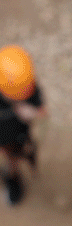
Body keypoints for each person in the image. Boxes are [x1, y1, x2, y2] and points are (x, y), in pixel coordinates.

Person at [0, 45, 46, 206]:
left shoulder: (29, 86)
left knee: (12, 160)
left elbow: (42, 111)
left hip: (15, 135)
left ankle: (13, 183)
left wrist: (32, 112)